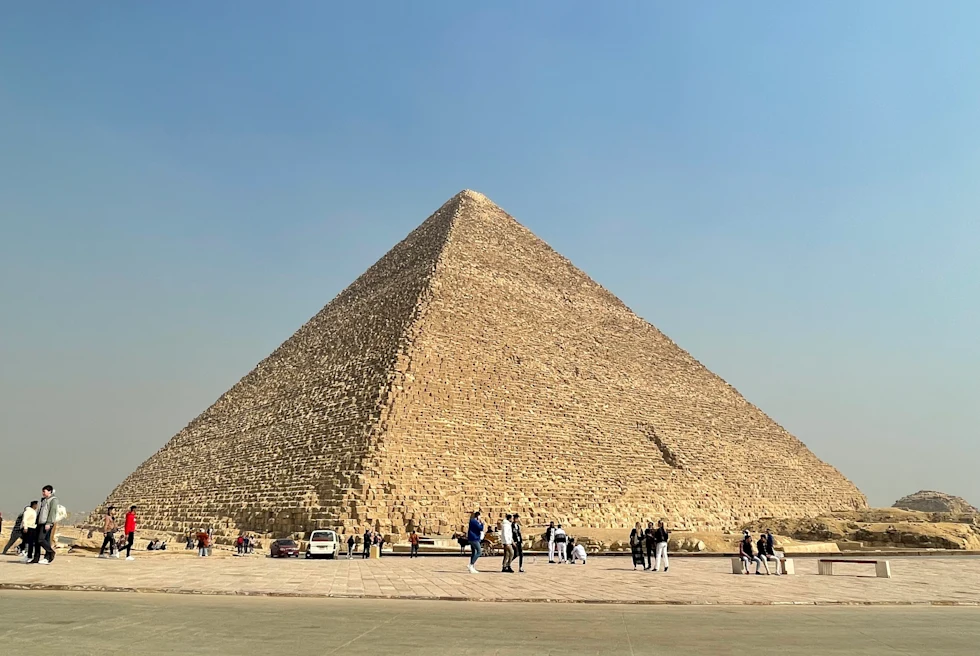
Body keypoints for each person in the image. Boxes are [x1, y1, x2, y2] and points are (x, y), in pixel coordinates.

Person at [30, 485, 59, 564]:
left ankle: (50, 552)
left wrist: (49, 523)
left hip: (46, 523)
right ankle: (36, 558)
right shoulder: (43, 500)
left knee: (41, 539)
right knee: (37, 541)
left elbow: (52, 512)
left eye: (44, 491)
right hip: (40, 522)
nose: (43, 493)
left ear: (49, 491)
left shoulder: (53, 500)